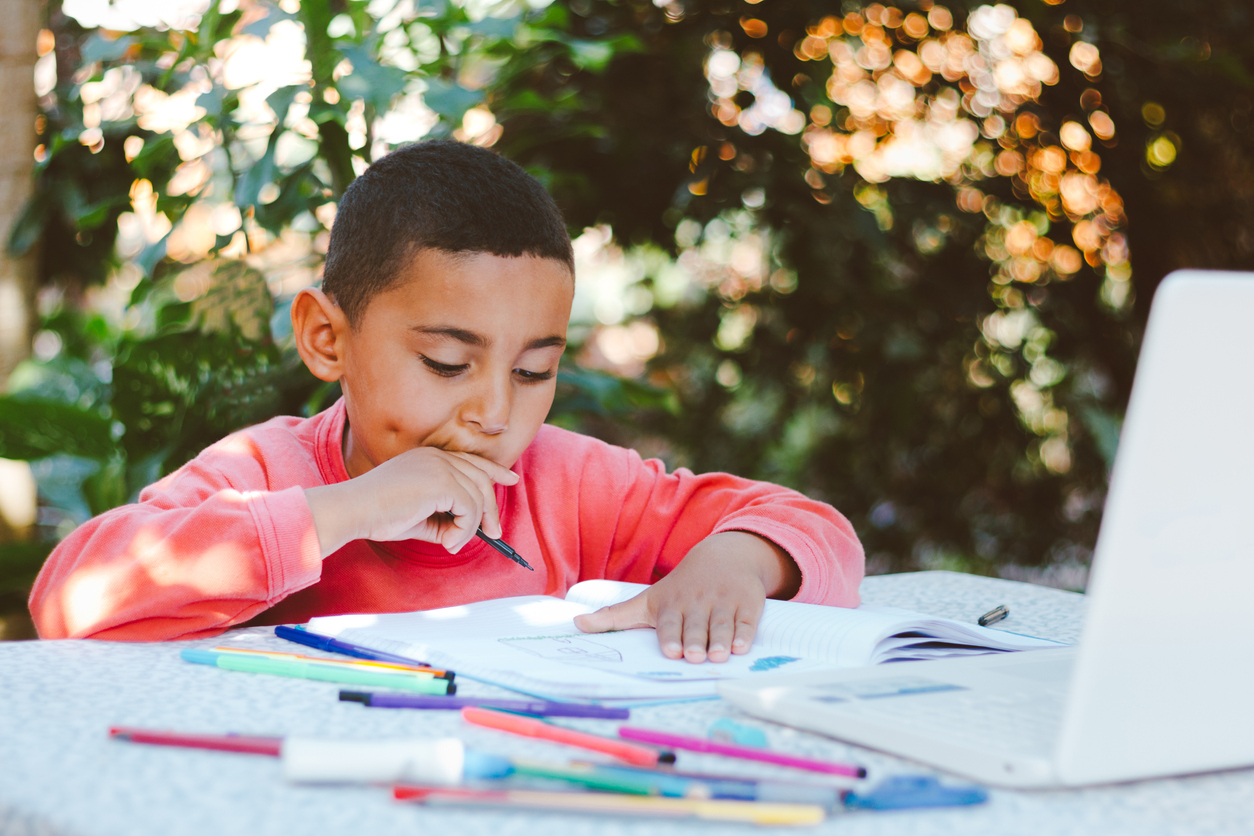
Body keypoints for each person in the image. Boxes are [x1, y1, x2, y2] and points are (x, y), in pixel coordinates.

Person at [29, 140, 864, 663]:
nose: (495, 412)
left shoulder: (572, 486)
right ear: (328, 339)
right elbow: (68, 599)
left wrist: (735, 563)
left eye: (533, 372)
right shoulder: (267, 471)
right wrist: (342, 511)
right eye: (445, 361)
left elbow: (817, 532)